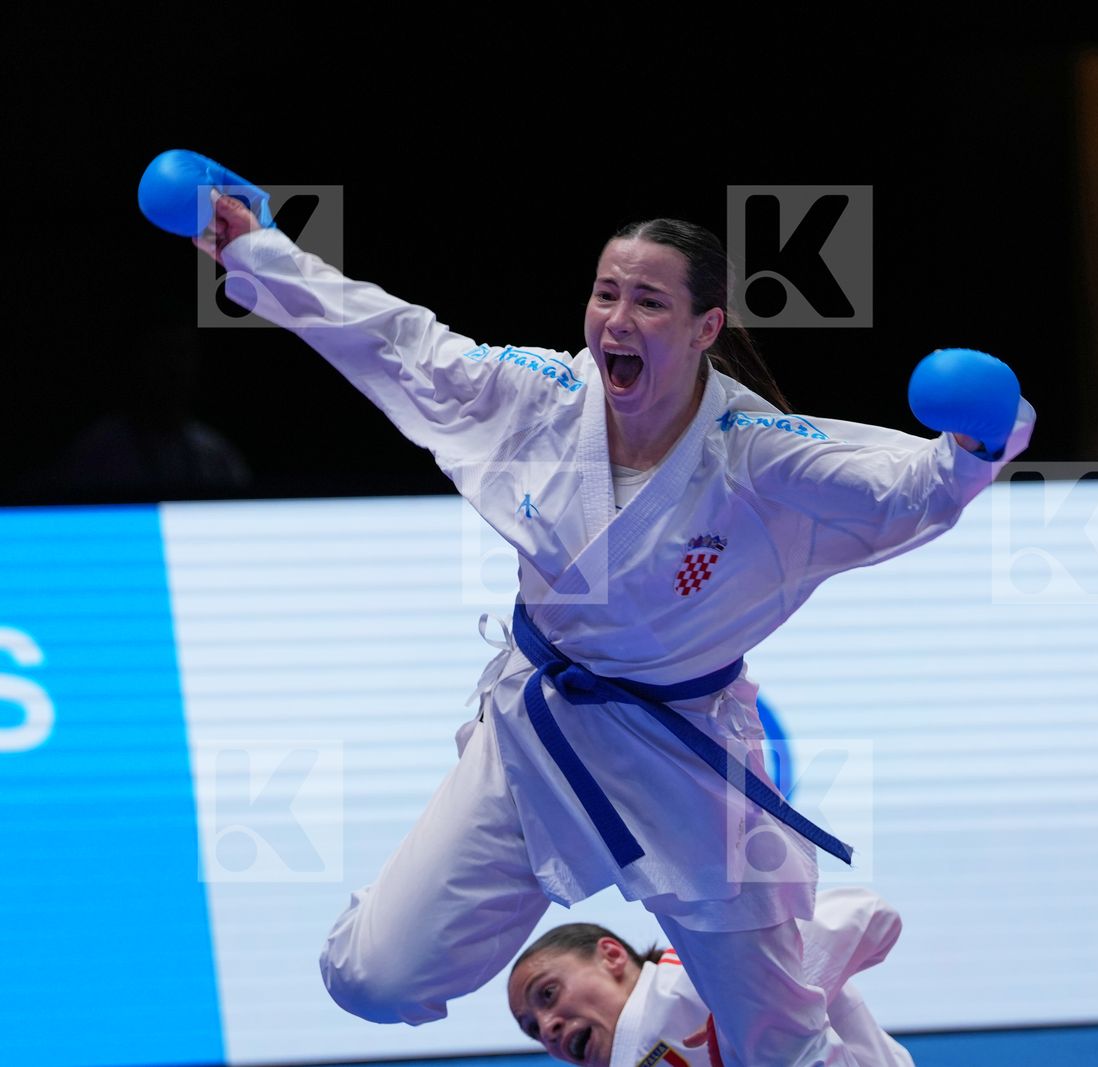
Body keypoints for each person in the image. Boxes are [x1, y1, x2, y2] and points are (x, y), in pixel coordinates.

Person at [195, 190, 1033, 1066]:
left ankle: (810, 972)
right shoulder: (540, 398)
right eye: (606, 294)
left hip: (682, 763)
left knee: (779, 1048)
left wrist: (976, 444)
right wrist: (260, 252)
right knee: (371, 977)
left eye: (649, 301)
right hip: (538, 735)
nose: (617, 320)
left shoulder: (757, 452)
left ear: (707, 328)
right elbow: (397, 341)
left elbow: (897, 491)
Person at [509, 888, 914, 1067]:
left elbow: (870, 914)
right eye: (532, 1029)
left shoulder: (704, 973)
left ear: (611, 956)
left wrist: (754, 1011)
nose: (547, 1028)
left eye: (548, 994)